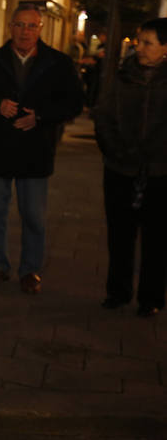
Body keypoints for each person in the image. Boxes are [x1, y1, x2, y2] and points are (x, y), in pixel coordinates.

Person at [0, 4, 83, 295]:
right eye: (19, 25)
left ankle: (30, 270)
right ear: (10, 27)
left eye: (31, 26)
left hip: (35, 151)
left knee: (34, 216)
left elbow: (75, 103)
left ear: (40, 28)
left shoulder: (58, 63)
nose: (25, 31)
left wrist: (40, 117)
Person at [93, 17, 167, 317]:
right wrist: (116, 150)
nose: (141, 48)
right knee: (120, 235)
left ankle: (151, 298)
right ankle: (118, 292)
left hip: (160, 174)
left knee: (156, 239)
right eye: (140, 42)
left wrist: (155, 153)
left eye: (149, 43)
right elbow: (103, 116)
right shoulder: (122, 76)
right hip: (120, 169)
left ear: (165, 47)